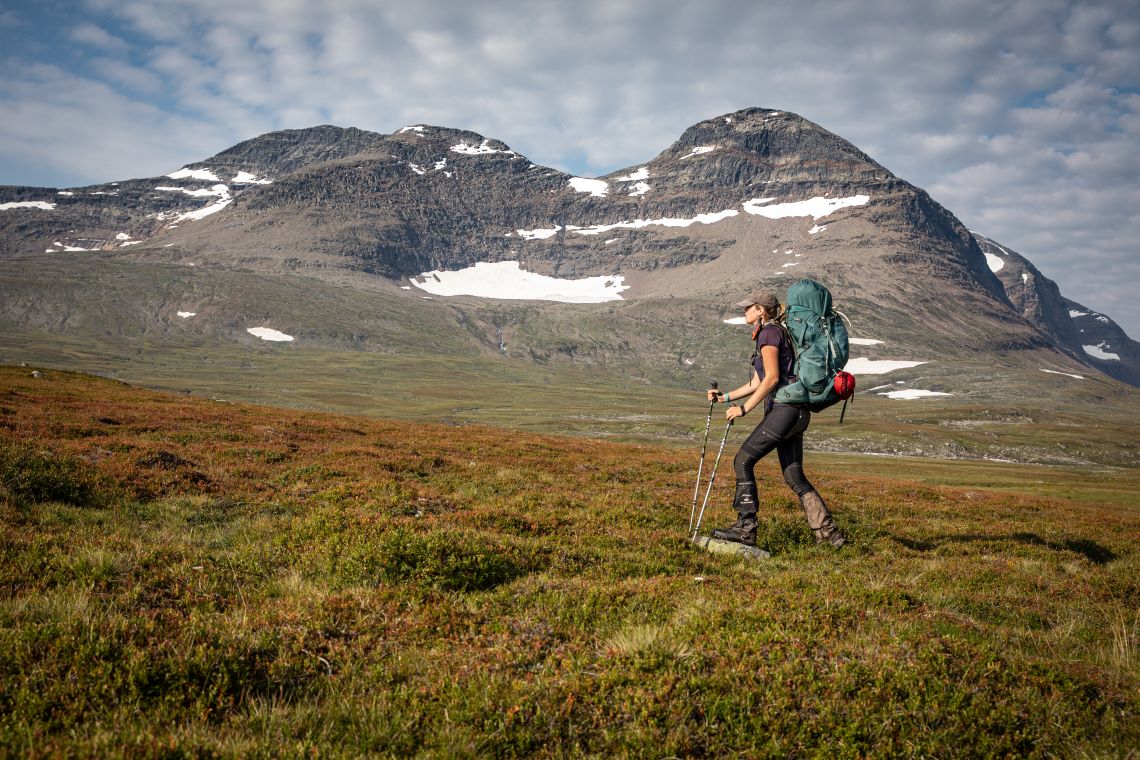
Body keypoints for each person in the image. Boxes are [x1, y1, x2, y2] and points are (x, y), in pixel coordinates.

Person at [705, 291, 846, 548]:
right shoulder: (776, 333)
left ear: (761, 310)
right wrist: (725, 398)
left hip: (784, 410)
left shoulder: (769, 334)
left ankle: (746, 529)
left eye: (748, 307)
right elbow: (757, 381)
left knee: (742, 461)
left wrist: (743, 409)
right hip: (797, 412)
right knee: (795, 476)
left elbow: (770, 379)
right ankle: (830, 536)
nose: (744, 311)